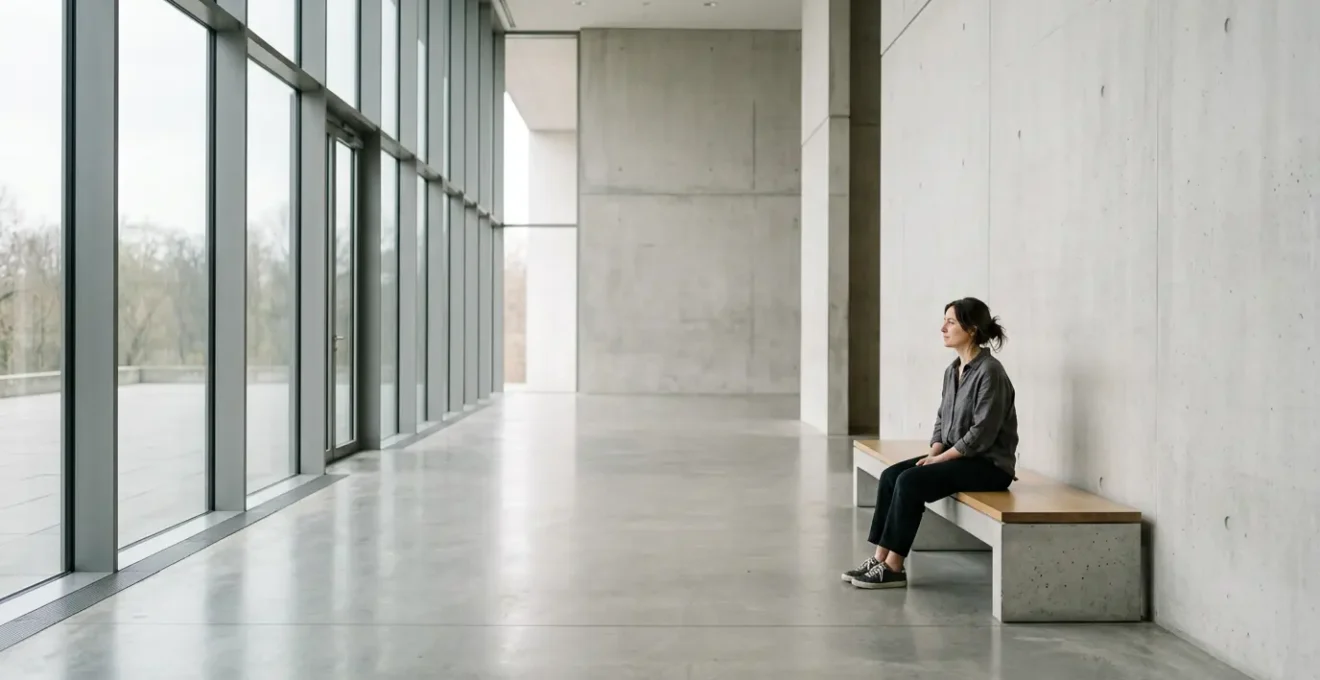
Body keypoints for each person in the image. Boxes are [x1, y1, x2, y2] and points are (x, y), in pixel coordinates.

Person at [843, 297, 1019, 589]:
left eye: (951, 321)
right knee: (891, 476)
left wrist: (940, 460)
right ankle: (879, 558)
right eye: (945, 321)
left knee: (911, 482)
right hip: (957, 457)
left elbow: (982, 433)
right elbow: (941, 419)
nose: (943, 328)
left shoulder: (990, 372)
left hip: (988, 465)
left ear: (972, 328)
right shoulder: (953, 370)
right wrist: (935, 451)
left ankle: (895, 568)